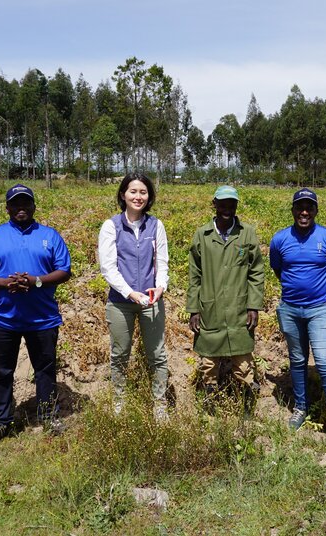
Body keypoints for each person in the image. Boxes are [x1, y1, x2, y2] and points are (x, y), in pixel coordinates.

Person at [0, 184, 71, 445]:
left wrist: (36, 281)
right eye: (16, 204)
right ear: (7, 208)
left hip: (42, 319)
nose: (21, 208)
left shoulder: (50, 236)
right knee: (2, 371)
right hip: (2, 318)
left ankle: (48, 415)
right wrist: (5, 283)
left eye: (26, 203)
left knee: (45, 370)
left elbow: (64, 270)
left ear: (34, 206)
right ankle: (0, 421)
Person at [270, 188, 326, 450]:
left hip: (321, 309)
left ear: (316, 210)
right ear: (292, 210)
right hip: (290, 309)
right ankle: (301, 407)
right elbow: (278, 268)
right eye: (299, 207)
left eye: (309, 207)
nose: (304, 212)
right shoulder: (280, 239)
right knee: (297, 359)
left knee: (325, 361)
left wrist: (320, 289)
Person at [97, 173, 170, 420]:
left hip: (151, 300)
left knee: (157, 354)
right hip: (120, 303)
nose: (138, 197)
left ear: (149, 197)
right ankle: (119, 403)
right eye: (133, 191)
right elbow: (108, 267)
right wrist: (130, 293)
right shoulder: (111, 226)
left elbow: (161, 261)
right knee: (119, 354)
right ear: (122, 195)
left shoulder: (156, 225)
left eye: (143, 192)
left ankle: (159, 405)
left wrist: (160, 287)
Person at [187, 185, 265, 413]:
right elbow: (195, 275)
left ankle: (246, 406)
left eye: (231, 204)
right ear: (214, 204)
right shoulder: (202, 235)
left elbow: (256, 272)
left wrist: (253, 305)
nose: (226, 209)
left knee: (242, 362)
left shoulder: (246, 233)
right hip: (209, 308)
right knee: (209, 362)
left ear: (236, 206)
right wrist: (194, 309)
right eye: (222, 204)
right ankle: (210, 403)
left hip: (239, 308)